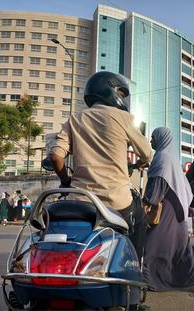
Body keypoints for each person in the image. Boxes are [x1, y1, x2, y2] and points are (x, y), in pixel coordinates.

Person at [49, 71, 153, 259]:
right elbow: (147, 153)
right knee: (139, 221)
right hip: (117, 200)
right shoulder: (124, 118)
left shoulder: (75, 119)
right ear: (110, 91)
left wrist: (65, 181)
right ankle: (135, 271)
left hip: (81, 199)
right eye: (120, 93)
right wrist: (139, 164)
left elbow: (56, 156)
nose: (121, 98)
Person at [142, 127, 194, 293]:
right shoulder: (171, 158)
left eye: (153, 138)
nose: (151, 141)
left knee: (151, 245)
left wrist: (147, 201)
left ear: (161, 139)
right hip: (175, 209)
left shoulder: (162, 157)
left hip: (167, 209)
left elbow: (159, 183)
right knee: (180, 247)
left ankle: (148, 281)